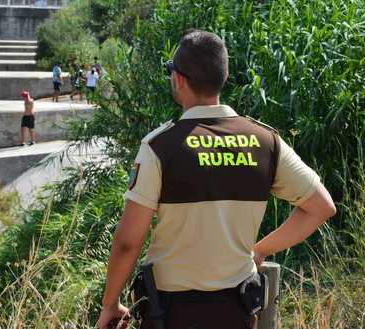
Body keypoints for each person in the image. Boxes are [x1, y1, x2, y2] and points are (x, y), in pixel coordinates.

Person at [97, 30, 336, 329]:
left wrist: (110, 304)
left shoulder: (160, 146)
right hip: (236, 311)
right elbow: (322, 206)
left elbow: (128, 243)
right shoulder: (266, 142)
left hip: (171, 314)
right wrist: (261, 249)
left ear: (179, 79)